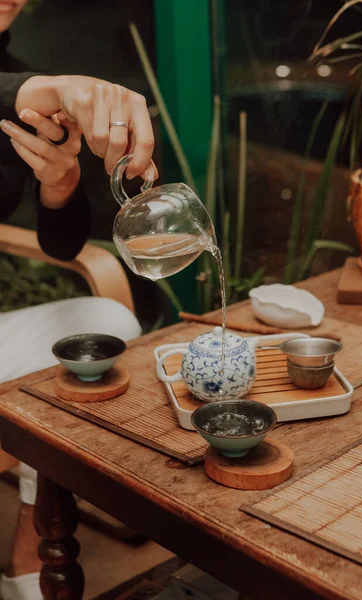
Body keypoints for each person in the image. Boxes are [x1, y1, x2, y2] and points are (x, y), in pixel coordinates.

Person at [0, 2, 157, 599]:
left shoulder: (24, 80)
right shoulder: (29, 87)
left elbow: (60, 243)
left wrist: (59, 184)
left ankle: (32, 539)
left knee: (105, 321)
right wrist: (38, 88)